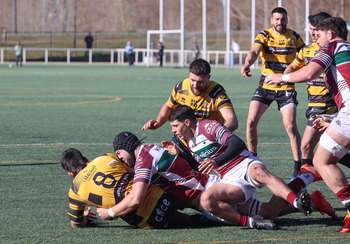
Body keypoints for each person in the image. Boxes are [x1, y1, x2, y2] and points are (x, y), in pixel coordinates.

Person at [97, 131, 336, 229]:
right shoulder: (149, 152)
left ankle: (305, 177)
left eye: (120, 155)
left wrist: (107, 213)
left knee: (260, 216)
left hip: (211, 196)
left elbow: (136, 198)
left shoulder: (144, 159)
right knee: (269, 211)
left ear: (125, 149)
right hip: (210, 188)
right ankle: (310, 189)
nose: (121, 160)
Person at [165, 105, 321, 225]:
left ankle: (296, 201)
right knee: (268, 212)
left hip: (245, 163)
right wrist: (178, 154)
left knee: (259, 172)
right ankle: (306, 180)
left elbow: (237, 143)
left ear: (186, 122)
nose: (174, 131)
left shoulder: (208, 127)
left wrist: (217, 161)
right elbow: (198, 167)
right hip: (230, 179)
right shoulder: (190, 143)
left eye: (175, 126)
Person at [264, 16, 350, 233]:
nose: (316, 39)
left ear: (329, 33)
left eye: (318, 34)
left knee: (322, 160)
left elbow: (310, 72)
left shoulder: (330, 46)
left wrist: (281, 77)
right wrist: (333, 118)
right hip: (344, 112)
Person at [241, 7, 305, 178]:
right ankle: (252, 160)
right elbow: (254, 51)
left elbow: (305, 55)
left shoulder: (294, 37)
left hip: (286, 87)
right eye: (276, 19)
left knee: (290, 126)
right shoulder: (264, 35)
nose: (280, 22)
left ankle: (298, 166)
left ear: (287, 19)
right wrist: (247, 63)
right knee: (250, 122)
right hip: (266, 86)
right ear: (271, 20)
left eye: (282, 19)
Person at [60, 148, 195, 229]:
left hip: (148, 219)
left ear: (71, 174)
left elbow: (75, 224)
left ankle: (192, 220)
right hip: (162, 195)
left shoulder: (74, 192)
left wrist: (84, 218)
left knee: (178, 219)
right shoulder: (105, 158)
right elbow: (134, 171)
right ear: (85, 158)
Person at [141, 58, 238, 169]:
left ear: (208, 78)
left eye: (200, 81)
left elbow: (232, 121)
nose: (195, 85)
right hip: (183, 139)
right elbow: (168, 105)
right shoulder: (181, 87)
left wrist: (213, 137)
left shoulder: (216, 93)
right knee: (166, 167)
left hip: (207, 143)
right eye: (192, 80)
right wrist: (158, 122)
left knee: (216, 174)